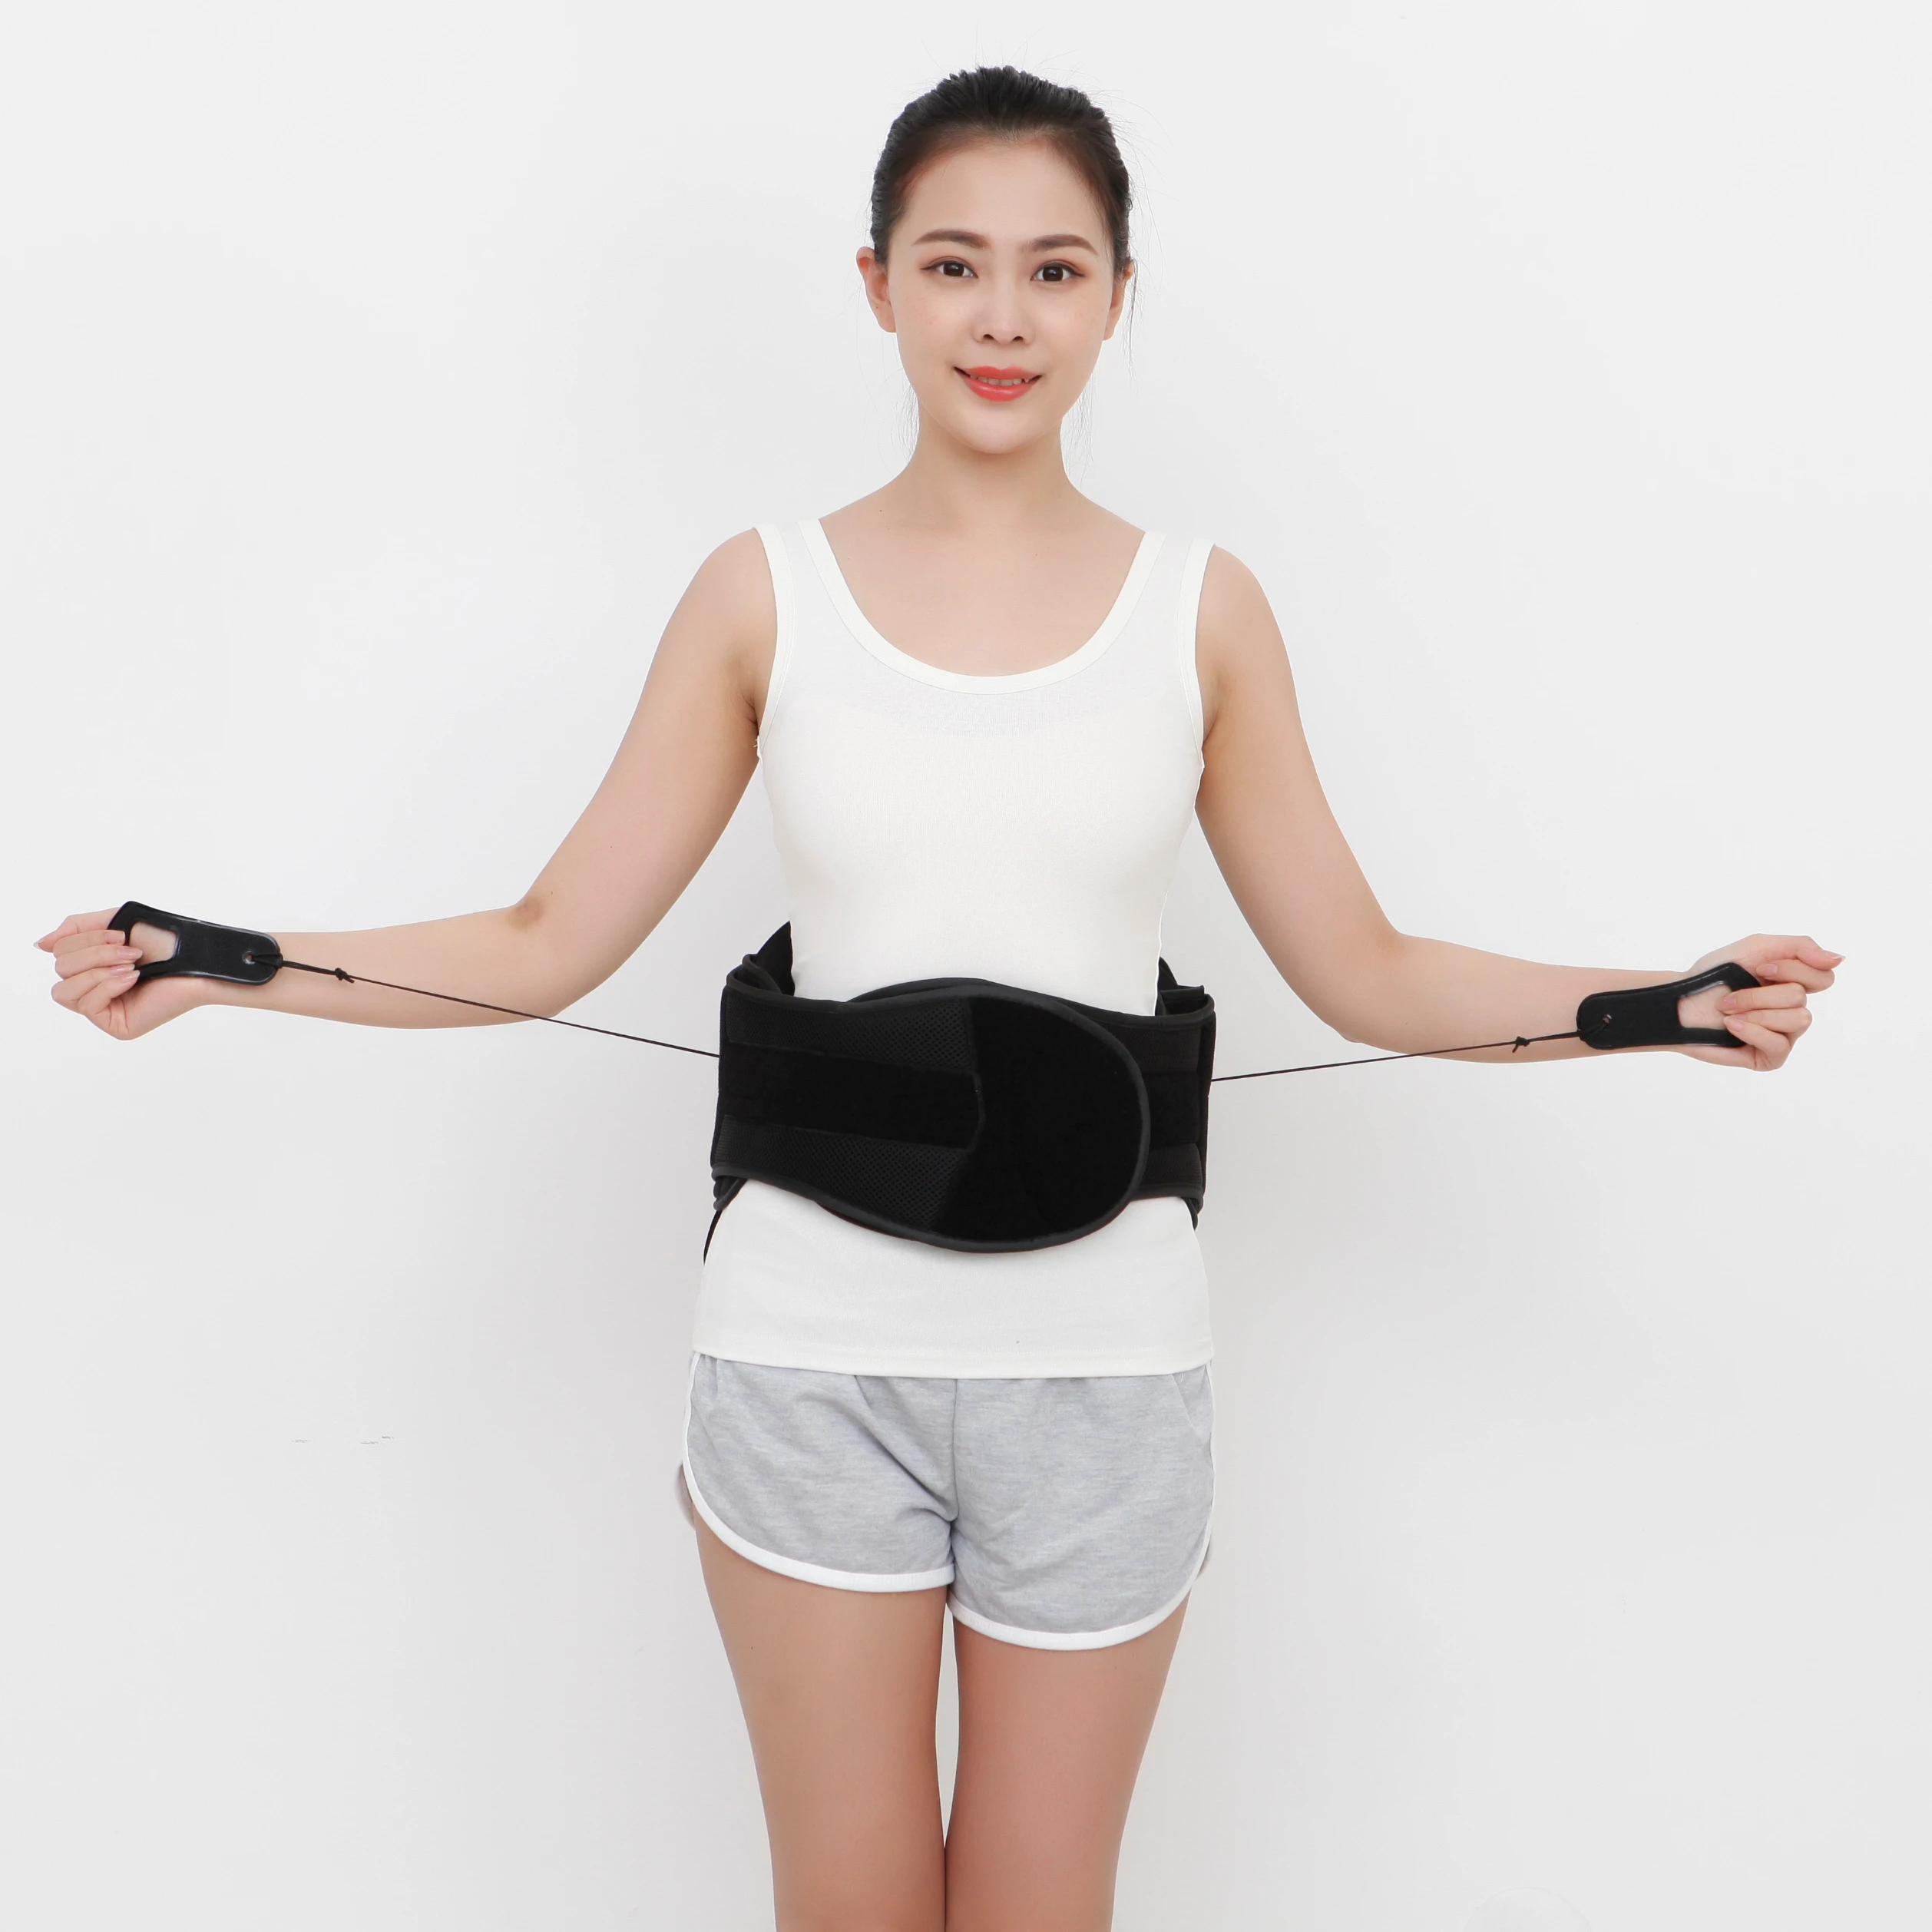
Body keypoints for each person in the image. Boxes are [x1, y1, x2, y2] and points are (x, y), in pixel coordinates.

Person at [37, 65, 1838, 1932]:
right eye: (954, 263)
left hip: (1106, 1374)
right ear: (878, 283)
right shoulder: (763, 595)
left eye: (1054, 270)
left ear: (1118, 297)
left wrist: (1660, 1002)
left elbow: (1362, 967)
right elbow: (548, 933)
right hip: (807, 1360)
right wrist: (230, 967)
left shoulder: (1201, 611)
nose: (1002, 317)